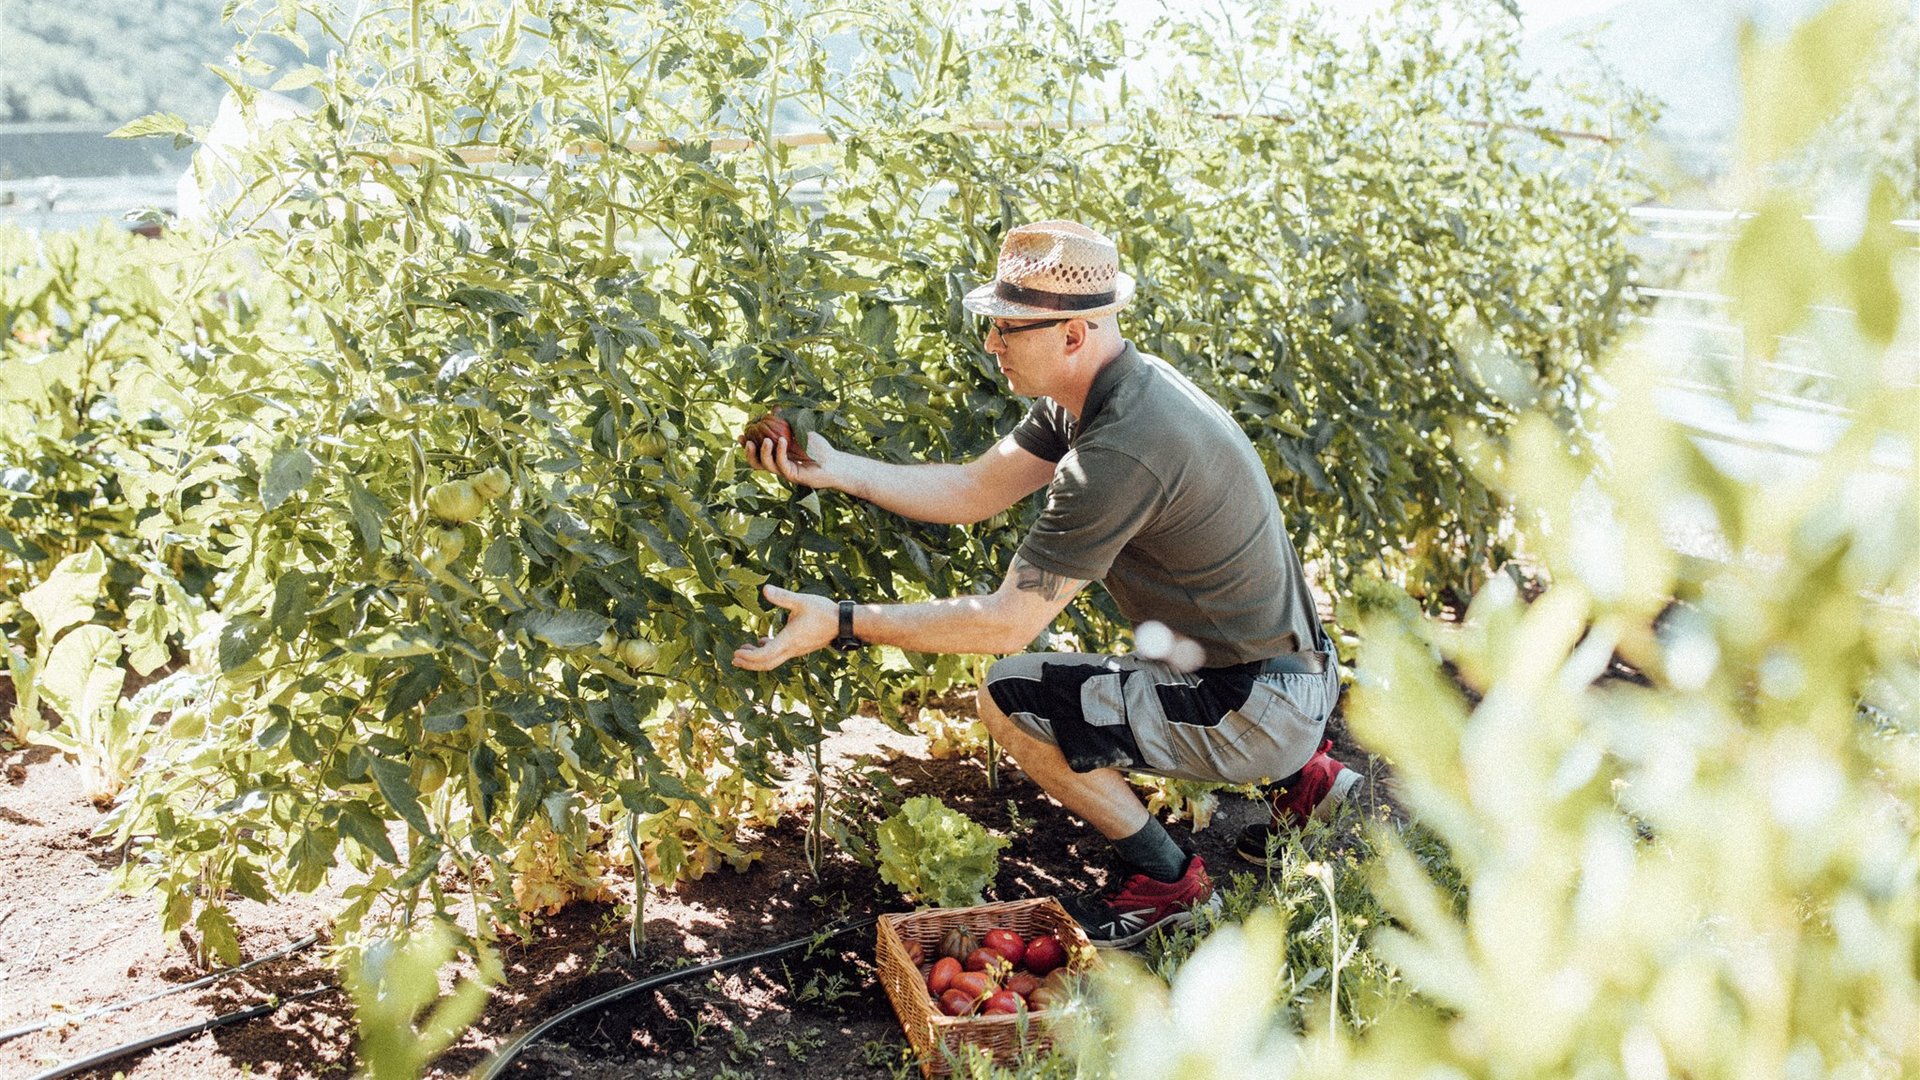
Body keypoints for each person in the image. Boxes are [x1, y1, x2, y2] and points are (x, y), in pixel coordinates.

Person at [732, 220, 1358, 947]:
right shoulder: (1105, 393)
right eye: (991, 325)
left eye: (1007, 329)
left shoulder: (1119, 451)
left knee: (1011, 695)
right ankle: (1302, 782)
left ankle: (1168, 883)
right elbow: (973, 488)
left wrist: (839, 621)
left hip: (1256, 703)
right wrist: (839, 469)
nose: (992, 345)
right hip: (1282, 673)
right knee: (1131, 658)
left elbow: (1004, 623)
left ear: (1072, 334)